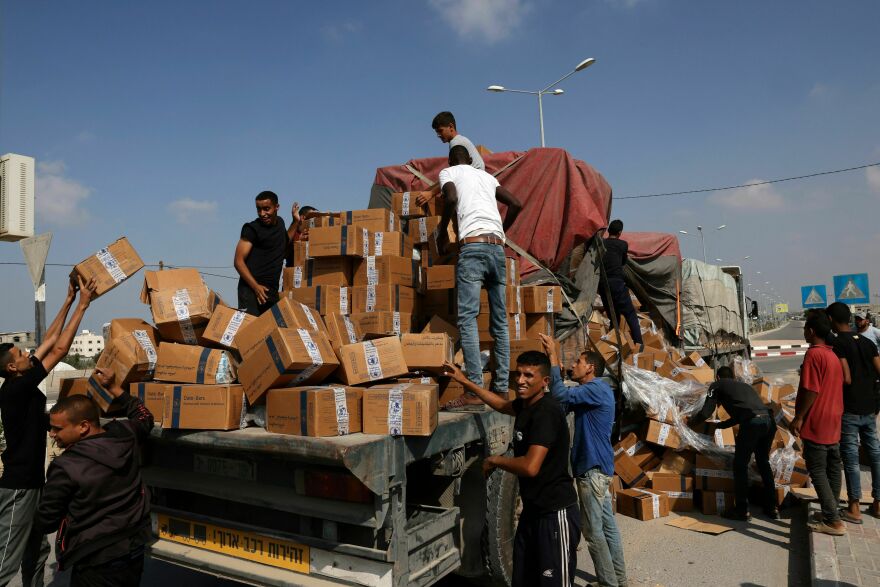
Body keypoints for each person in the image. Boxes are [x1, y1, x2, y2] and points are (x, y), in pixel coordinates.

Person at [443, 352, 580, 587]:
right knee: (522, 578)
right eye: (519, 373)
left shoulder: (546, 412)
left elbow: (530, 466)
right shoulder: (526, 405)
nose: (521, 380)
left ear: (545, 382)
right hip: (532, 513)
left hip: (555, 515)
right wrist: (465, 382)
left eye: (529, 375)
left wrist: (495, 461)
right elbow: (501, 404)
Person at [0, 275, 97, 587]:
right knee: (6, 561)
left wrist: (68, 300)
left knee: (38, 552)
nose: (28, 354)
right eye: (20, 355)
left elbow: (48, 342)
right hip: (18, 489)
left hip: (33, 484)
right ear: (12, 368)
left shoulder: (20, 380)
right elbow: (60, 348)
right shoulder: (16, 389)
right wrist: (83, 305)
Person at [36, 367, 153, 586]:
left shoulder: (65, 466)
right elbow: (144, 415)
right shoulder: (126, 435)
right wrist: (114, 387)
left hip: (95, 559)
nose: (51, 434)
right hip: (133, 548)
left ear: (83, 427)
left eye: (57, 429)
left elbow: (47, 520)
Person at [436, 145, 523, 408]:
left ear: (452, 161)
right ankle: (501, 390)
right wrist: (501, 231)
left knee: (468, 319)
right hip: (497, 248)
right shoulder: (487, 177)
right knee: (500, 321)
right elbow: (516, 203)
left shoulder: (448, 173)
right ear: (471, 160)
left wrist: (442, 230)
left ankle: (474, 390)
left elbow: (450, 199)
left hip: (472, 248)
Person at [539, 334, 627, 587]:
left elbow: (559, 396)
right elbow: (563, 406)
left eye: (578, 361)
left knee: (592, 531)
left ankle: (608, 583)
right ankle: (619, 579)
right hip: (598, 468)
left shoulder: (595, 389)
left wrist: (553, 356)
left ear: (590, 368)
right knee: (607, 527)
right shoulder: (593, 392)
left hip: (591, 469)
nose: (572, 365)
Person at [689, 366, 778, 521]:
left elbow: (705, 412)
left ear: (717, 377)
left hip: (752, 423)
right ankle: (772, 507)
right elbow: (743, 412)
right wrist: (721, 425)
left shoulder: (716, 385)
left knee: (740, 465)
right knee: (763, 462)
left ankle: (742, 510)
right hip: (769, 422)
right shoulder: (744, 386)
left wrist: (690, 423)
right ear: (733, 377)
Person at [791, 309, 845, 536]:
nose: (804, 332)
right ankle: (832, 512)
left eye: (805, 328)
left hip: (818, 420)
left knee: (817, 470)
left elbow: (811, 389)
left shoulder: (814, 354)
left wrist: (800, 417)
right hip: (834, 420)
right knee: (833, 468)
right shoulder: (832, 355)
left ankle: (833, 521)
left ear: (811, 331)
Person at [825, 303, 880, 523]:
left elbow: (844, 376)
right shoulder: (867, 342)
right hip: (870, 407)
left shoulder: (836, 343)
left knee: (850, 459)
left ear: (830, 320)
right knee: (875, 454)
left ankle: (854, 508)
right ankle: (877, 504)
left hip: (849, 408)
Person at [234, 191, 302, 316]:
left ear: (277, 207)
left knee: (271, 331)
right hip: (251, 290)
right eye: (258, 209)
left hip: (271, 291)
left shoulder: (280, 223)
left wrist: (295, 221)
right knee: (251, 331)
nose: (262, 214)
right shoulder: (252, 229)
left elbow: (284, 242)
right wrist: (255, 287)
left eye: (266, 209)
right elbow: (238, 261)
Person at [417, 111, 487, 208]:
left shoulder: (456, 143)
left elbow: (454, 175)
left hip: (473, 190)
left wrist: (431, 194)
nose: (438, 135)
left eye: (440, 131)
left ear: (451, 127)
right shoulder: (461, 140)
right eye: (437, 132)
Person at [598, 220, 643, 345]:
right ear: (619, 233)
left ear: (609, 231)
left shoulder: (601, 243)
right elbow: (623, 262)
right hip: (616, 282)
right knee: (630, 314)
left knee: (614, 316)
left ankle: (612, 345)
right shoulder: (623, 245)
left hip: (603, 284)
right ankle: (639, 345)